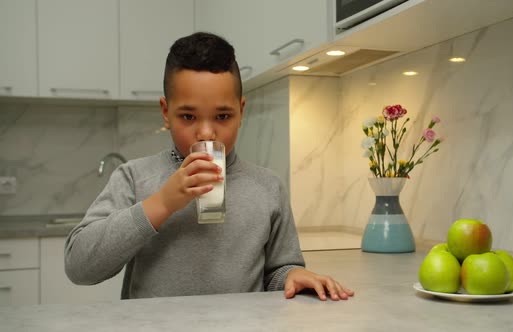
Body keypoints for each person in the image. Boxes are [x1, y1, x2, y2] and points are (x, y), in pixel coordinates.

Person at [64, 32, 354, 302]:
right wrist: (162, 204)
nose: (205, 133)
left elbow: (278, 271)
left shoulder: (268, 187)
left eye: (223, 116)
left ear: (241, 111)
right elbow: (79, 266)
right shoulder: (134, 178)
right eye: (188, 117)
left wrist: (293, 274)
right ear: (166, 113)